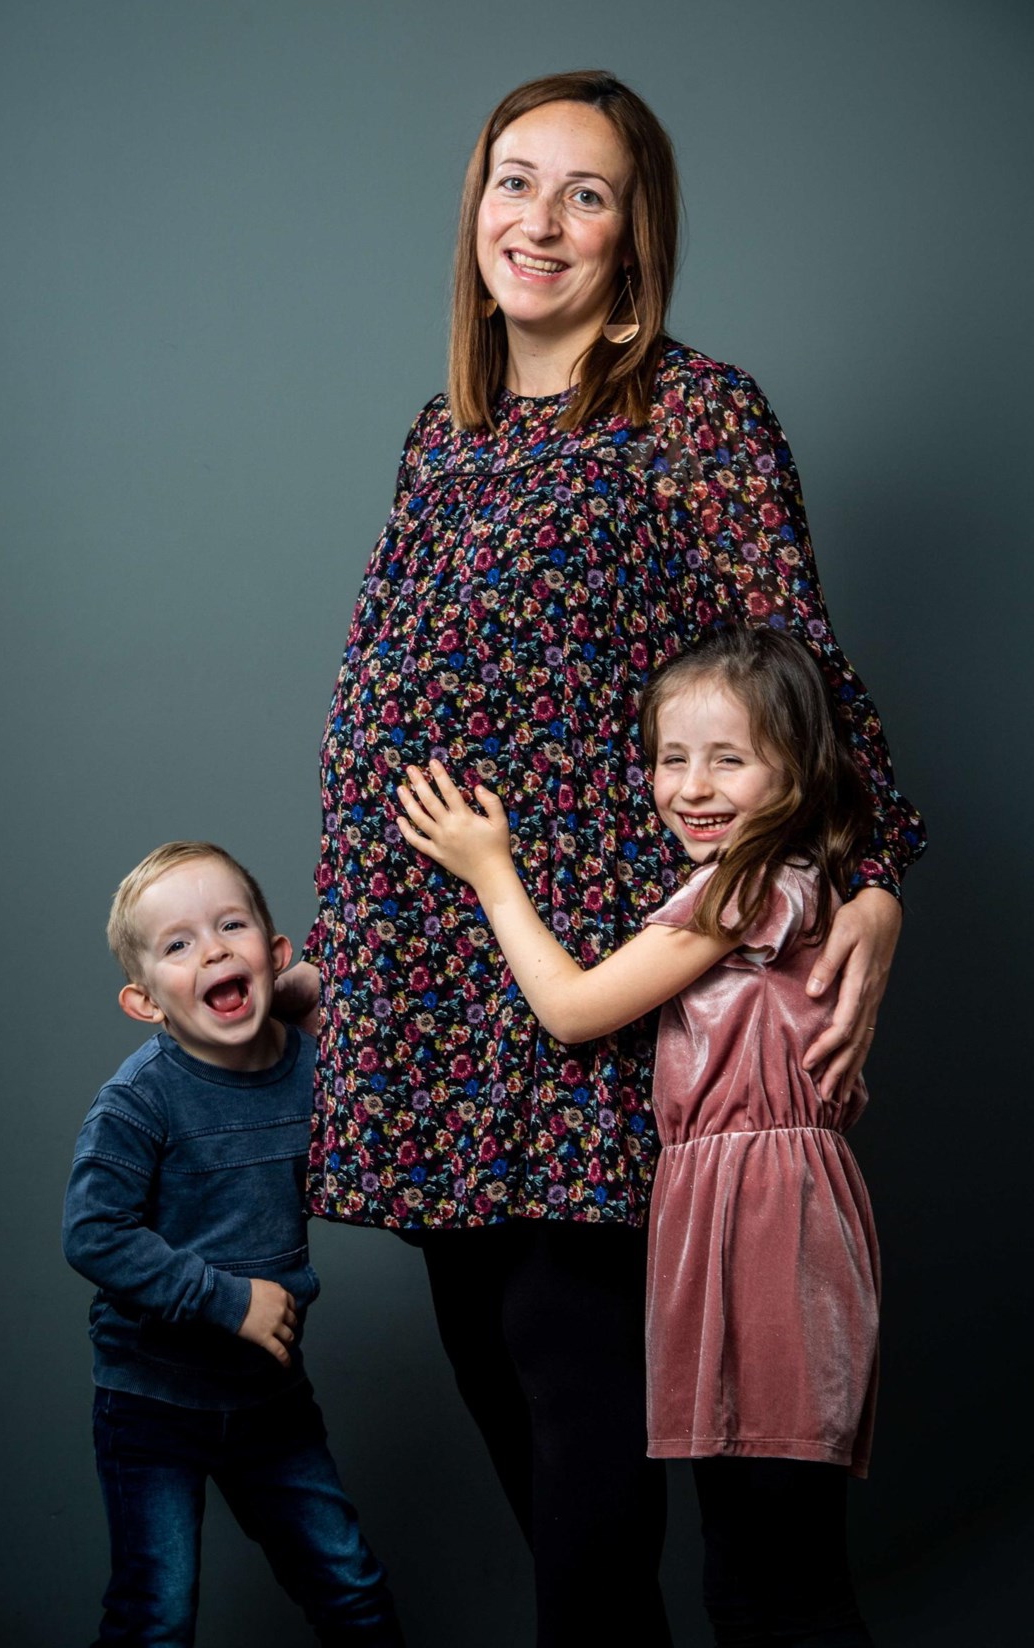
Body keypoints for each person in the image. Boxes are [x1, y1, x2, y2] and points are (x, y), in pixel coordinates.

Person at [279, 69, 924, 1644]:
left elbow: (806, 679)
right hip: (424, 1011)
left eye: (588, 193)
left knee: (594, 1473)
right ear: (475, 209)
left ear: (638, 239)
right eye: (516, 181)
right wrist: (335, 961)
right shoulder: (443, 435)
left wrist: (883, 884)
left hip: (580, 1003)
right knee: (523, 1435)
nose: (541, 221)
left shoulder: (697, 414)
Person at [395, 624, 881, 1646]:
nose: (692, 787)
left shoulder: (742, 885)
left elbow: (574, 1010)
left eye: (730, 758)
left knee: (770, 1570)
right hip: (745, 1215)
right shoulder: (779, 881)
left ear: (795, 773)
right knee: (761, 1558)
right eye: (671, 758)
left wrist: (491, 872)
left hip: (763, 1224)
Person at [62, 842, 403, 1648]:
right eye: (178, 945)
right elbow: (93, 1233)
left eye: (230, 925)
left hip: (269, 1400)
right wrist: (230, 1299)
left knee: (352, 1592)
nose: (212, 948)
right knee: (157, 1615)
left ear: (274, 955)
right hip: (152, 1401)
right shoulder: (139, 1101)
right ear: (145, 1003)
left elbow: (379, 1151)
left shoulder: (318, 1074)